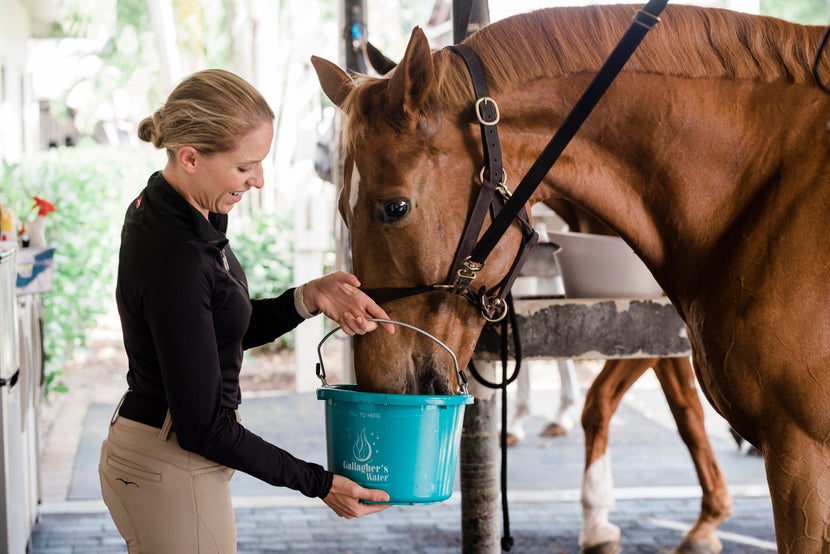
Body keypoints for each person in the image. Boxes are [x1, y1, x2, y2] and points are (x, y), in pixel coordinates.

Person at [99, 68, 396, 554]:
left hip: (163, 455)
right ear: (190, 157)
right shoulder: (177, 253)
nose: (258, 180)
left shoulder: (181, 209)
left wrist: (308, 297)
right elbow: (205, 427)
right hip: (170, 464)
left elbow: (215, 329)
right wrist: (320, 483)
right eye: (244, 167)